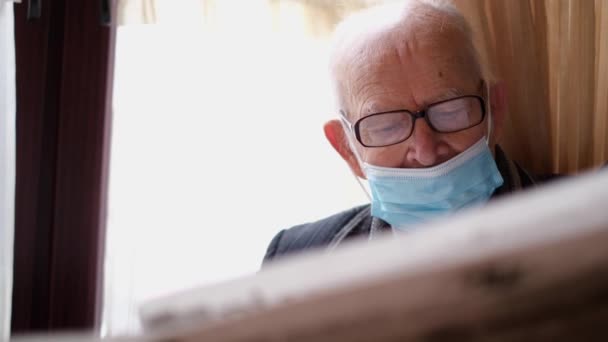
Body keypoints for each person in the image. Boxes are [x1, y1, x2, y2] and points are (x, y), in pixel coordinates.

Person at [263, 0, 542, 264]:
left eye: (449, 111)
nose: (425, 152)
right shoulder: (297, 260)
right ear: (346, 148)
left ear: (495, 108)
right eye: (386, 126)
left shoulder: (583, 218)